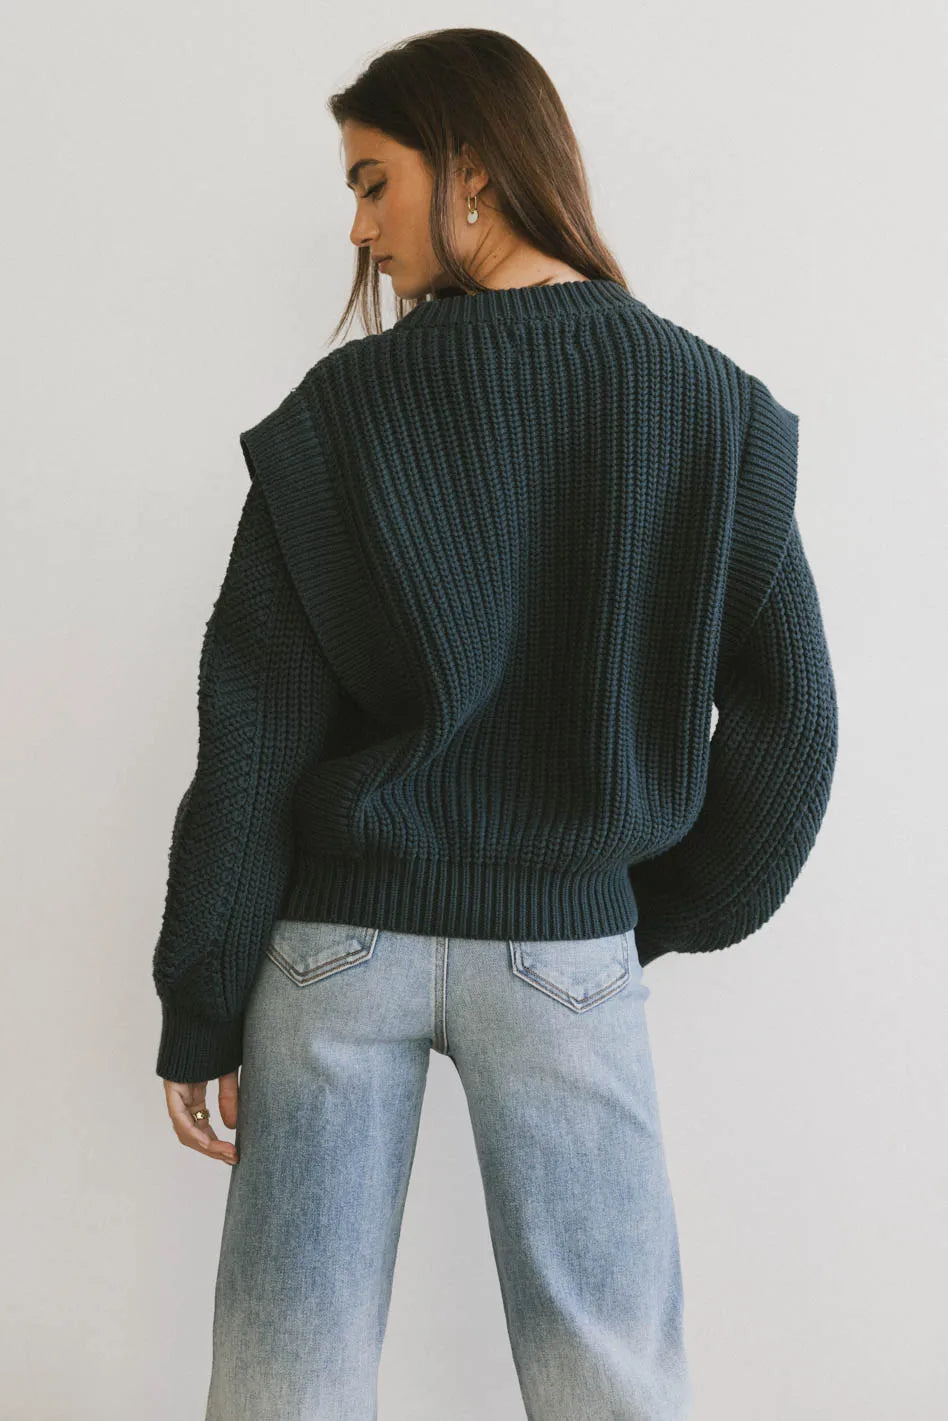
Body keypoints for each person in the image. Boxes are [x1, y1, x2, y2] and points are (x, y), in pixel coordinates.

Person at [151, 26, 838, 1421]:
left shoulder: (342, 414)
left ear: (470, 167)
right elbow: (794, 730)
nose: (358, 227)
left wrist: (202, 995)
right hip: (565, 951)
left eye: (373, 181)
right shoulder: (713, 410)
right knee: (612, 1374)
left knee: (288, 1373)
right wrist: (622, 920)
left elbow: (254, 737)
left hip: (336, 949)